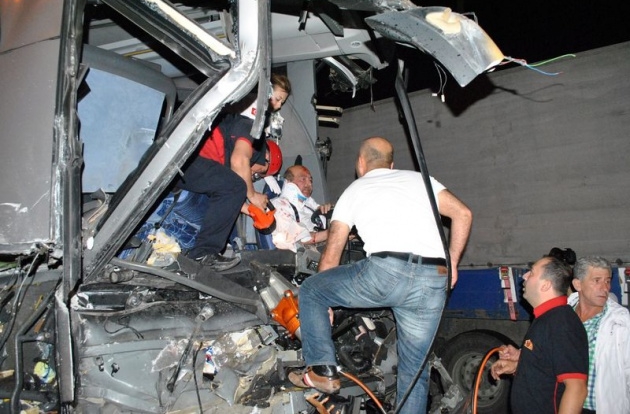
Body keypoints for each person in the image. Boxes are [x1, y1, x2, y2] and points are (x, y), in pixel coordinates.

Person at [288, 137, 473, 414]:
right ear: (392, 164)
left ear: (360, 164)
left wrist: (324, 302)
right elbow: (464, 213)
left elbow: (332, 254)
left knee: (313, 289)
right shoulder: (421, 180)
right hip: (434, 278)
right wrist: (453, 263)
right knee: (415, 371)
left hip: (387, 272)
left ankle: (323, 370)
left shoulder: (356, 189)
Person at [178, 74, 291, 270]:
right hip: (189, 158)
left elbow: (226, 192)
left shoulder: (228, 151)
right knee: (236, 186)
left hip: (185, 163)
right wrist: (253, 195)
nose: (279, 106)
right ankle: (203, 254)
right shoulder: (250, 123)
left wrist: (250, 209)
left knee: (232, 186)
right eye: (278, 98)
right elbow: (239, 161)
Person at [490, 256, 589, 414]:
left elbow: (576, 388)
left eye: (532, 272)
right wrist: (519, 364)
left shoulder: (562, 324)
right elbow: (547, 368)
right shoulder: (546, 318)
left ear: (545, 285)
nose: (524, 276)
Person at [568, 256, 630, 414]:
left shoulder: (621, 322)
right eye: (597, 281)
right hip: (564, 405)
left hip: (599, 408)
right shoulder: (563, 315)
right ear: (577, 284)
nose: (605, 288)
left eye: (607, 281)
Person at [270, 165, 332, 250]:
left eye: (310, 180)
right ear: (289, 182)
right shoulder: (278, 206)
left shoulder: (310, 207)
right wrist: (334, 232)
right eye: (303, 179)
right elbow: (301, 240)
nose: (309, 184)